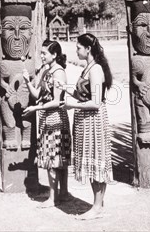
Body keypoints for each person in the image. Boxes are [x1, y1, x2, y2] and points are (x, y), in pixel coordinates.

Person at [57, 33, 113, 220]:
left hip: (93, 121)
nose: (76, 51)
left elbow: (96, 102)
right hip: (85, 120)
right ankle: (98, 204)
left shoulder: (96, 70)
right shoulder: (87, 67)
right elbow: (83, 94)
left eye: (79, 48)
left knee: (96, 160)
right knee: (91, 161)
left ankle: (97, 207)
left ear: (88, 49)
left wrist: (72, 105)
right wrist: (64, 88)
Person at [22, 39, 71, 208]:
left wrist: (36, 109)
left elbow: (57, 101)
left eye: (44, 53)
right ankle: (61, 193)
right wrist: (28, 82)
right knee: (55, 158)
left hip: (56, 119)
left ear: (54, 55)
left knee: (55, 158)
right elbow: (38, 95)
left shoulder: (59, 73)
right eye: (41, 53)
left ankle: (54, 197)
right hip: (47, 118)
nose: (41, 56)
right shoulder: (46, 71)